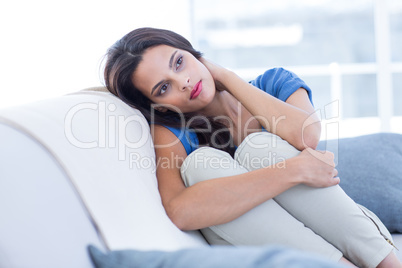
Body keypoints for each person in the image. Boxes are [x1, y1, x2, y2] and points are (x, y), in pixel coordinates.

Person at [103, 27, 401, 268]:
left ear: (194, 52)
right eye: (163, 88)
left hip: (353, 237)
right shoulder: (172, 133)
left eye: (179, 62)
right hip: (257, 249)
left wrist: (228, 79)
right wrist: (292, 171)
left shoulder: (274, 82)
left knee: (258, 147)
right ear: (157, 106)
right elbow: (180, 211)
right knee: (201, 163)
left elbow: (306, 135)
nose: (183, 81)